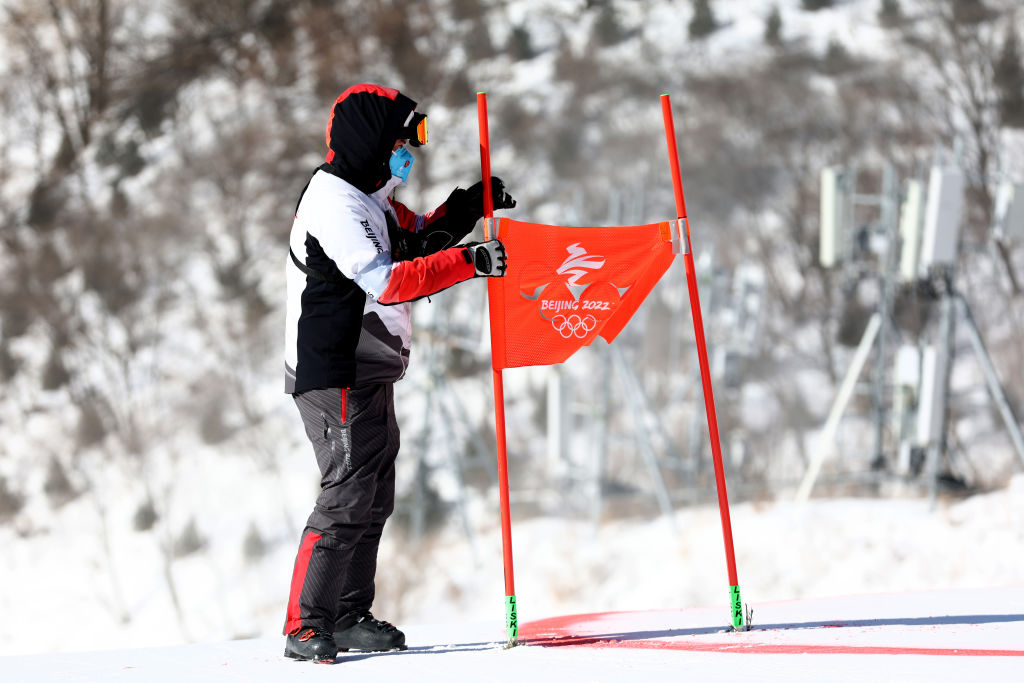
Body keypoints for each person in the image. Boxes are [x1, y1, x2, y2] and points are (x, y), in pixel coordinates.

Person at [282, 83, 516, 663]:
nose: (411, 152)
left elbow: (416, 241)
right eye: (405, 141)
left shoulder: (372, 196)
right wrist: (470, 262)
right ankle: (305, 625)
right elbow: (390, 279)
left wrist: (470, 205)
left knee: (374, 491)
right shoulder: (333, 203)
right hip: (334, 371)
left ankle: (349, 613)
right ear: (374, 141)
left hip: (369, 366)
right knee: (347, 492)